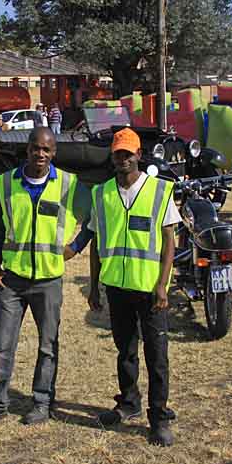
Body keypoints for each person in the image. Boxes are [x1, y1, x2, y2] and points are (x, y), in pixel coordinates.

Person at [0, 127, 91, 430]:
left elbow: (94, 219)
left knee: (48, 345)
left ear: (54, 153)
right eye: (36, 148)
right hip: (12, 280)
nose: (40, 154)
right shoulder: (7, 183)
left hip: (48, 280)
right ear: (28, 150)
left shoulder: (68, 184)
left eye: (46, 150)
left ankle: (42, 403)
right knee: (2, 346)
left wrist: (75, 247)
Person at [66, 128, 180, 447]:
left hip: (150, 290)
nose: (123, 158)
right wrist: (93, 287)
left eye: (128, 153)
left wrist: (162, 285)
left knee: (157, 356)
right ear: (112, 156)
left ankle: (158, 418)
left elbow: (170, 240)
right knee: (125, 351)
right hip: (116, 287)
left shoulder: (160, 190)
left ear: (139, 155)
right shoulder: (102, 194)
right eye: (118, 153)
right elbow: (95, 241)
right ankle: (128, 404)